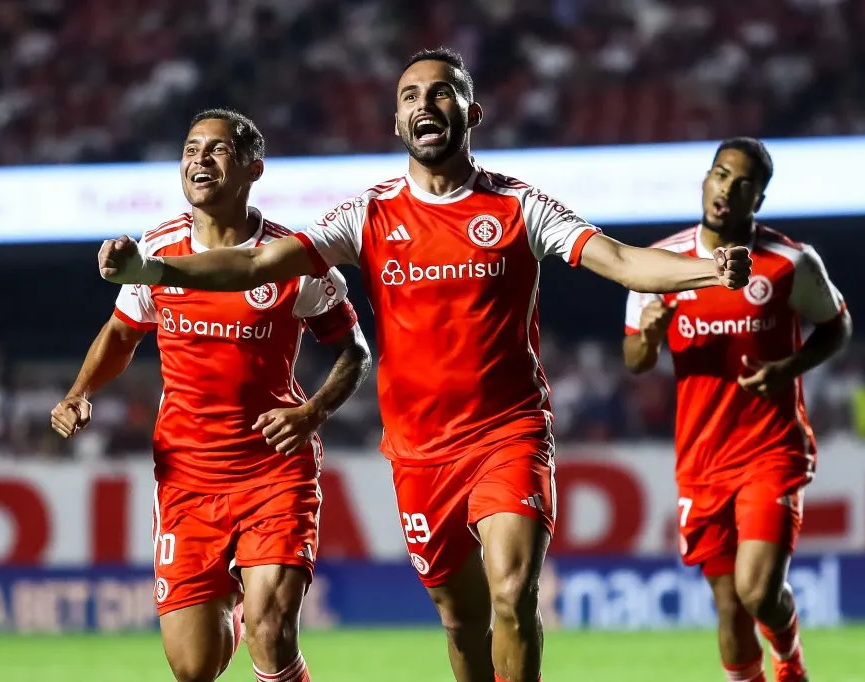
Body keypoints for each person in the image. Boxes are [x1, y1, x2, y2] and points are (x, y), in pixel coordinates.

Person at [96, 49, 752, 682]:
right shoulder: (368, 214)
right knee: (462, 620)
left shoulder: (517, 206)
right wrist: (154, 270)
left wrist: (708, 270)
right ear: (397, 122)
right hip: (420, 454)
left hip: (508, 433)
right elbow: (252, 264)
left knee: (513, 592)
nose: (425, 104)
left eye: (441, 91)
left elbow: (620, 259)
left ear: (473, 113)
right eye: (410, 95)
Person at [52, 109, 371, 682]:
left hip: (273, 470)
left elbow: (354, 351)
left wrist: (312, 411)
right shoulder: (158, 251)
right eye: (191, 149)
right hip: (187, 478)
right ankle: (231, 597)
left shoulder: (296, 260)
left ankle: (257, 607)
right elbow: (122, 333)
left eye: (217, 150)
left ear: (253, 169)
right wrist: (79, 392)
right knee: (194, 667)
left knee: (271, 634)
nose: (199, 159)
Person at [623, 137, 852, 682]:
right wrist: (650, 338)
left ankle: (789, 659)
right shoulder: (659, 265)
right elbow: (634, 358)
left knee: (756, 589)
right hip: (701, 460)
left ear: (759, 199)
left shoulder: (789, 262)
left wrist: (788, 368)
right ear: (706, 179)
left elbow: (836, 324)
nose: (727, 189)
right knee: (728, 603)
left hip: (770, 449)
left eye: (743, 182)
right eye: (720, 174)